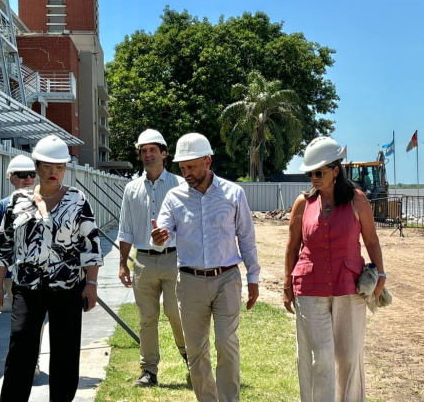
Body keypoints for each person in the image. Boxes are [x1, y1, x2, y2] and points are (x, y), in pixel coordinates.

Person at [0, 135, 103, 402]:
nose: (54, 172)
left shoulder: (77, 200)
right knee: (20, 350)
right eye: (48, 166)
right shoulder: (17, 201)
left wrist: (91, 284)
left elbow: (91, 245)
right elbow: (4, 246)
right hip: (26, 289)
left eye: (60, 166)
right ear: (37, 167)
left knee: (65, 354)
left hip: (67, 289)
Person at [151, 133, 260, 402]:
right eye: (182, 167)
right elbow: (164, 231)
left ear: (208, 161)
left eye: (192, 166)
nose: (186, 173)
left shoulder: (234, 193)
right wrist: (159, 238)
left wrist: (254, 277)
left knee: (226, 344)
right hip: (189, 282)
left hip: (227, 279)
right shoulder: (174, 198)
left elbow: (246, 237)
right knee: (197, 351)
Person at [282, 136, 386, 402]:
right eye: (310, 173)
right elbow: (293, 246)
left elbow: (371, 240)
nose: (313, 178)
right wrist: (286, 285)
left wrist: (381, 275)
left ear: (335, 170)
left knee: (349, 357)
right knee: (320, 359)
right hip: (309, 288)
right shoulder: (302, 204)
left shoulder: (357, 200)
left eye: (318, 172)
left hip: (349, 287)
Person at [117, 129, 186, 387]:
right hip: (143, 261)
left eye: (152, 150)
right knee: (147, 318)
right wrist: (123, 263)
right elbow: (126, 229)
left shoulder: (180, 185)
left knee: (175, 311)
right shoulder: (131, 189)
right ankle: (149, 371)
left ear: (164, 153)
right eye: (143, 151)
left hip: (174, 259)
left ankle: (187, 354)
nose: (147, 154)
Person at [0, 155, 36, 311]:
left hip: (40, 272)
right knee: (23, 315)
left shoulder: (45, 203)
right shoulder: (3, 206)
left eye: (32, 174)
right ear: (11, 178)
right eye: (23, 175)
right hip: (11, 272)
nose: (28, 178)